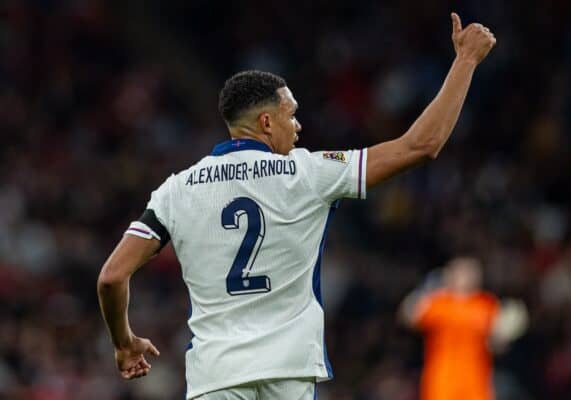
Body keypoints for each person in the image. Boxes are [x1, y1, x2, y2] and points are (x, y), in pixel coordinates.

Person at [97, 12, 496, 400]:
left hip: (214, 375)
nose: (299, 126)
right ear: (267, 123)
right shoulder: (307, 173)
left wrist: (124, 342)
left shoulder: (176, 190)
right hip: (287, 373)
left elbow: (112, 277)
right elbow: (420, 145)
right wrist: (465, 62)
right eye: (292, 115)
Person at [400, 257, 528, 400]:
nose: (469, 276)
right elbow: (408, 318)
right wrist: (426, 289)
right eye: (463, 272)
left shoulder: (487, 304)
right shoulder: (439, 302)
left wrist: (506, 333)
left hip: (475, 378)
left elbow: (497, 344)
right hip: (442, 377)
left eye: (473, 272)